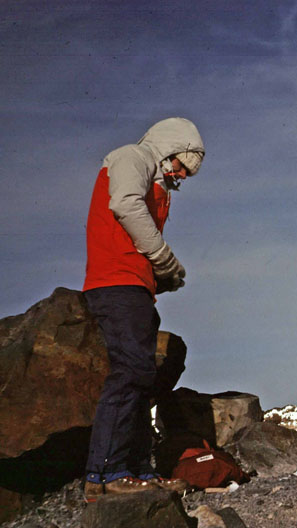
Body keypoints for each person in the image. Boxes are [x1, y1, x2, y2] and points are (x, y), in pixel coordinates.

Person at [82, 117, 204, 501]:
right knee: (131, 371)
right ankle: (105, 474)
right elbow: (125, 205)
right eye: (183, 165)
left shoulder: (157, 184)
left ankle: (137, 471)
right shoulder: (130, 158)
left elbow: (133, 238)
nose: (182, 175)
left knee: (141, 376)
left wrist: (160, 276)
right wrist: (163, 257)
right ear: (169, 150)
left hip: (135, 288)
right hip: (114, 285)